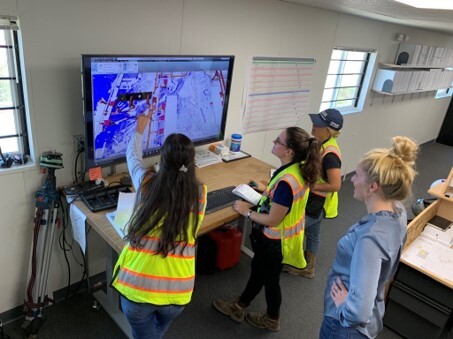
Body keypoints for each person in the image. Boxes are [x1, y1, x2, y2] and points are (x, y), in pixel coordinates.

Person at [212, 127, 322, 332]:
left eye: (278, 141)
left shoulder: (287, 183)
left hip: (274, 240)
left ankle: (272, 318)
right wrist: (267, 191)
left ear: (289, 150)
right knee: (260, 273)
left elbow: (272, 219)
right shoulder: (297, 169)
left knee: (269, 279)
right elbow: (284, 202)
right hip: (283, 239)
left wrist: (246, 212)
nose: (274, 142)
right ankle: (240, 305)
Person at [111, 112, 207, 339]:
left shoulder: (146, 183)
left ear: (162, 160)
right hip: (178, 294)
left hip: (138, 292)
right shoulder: (200, 193)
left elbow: (133, 157)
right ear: (192, 162)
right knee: (153, 333)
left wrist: (139, 130)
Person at [320, 136, 418, 339]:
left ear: (373, 186)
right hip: (372, 311)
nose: (353, 180)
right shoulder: (397, 212)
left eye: (356, 175)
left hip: (343, 327)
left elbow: (358, 313)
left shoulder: (371, 239)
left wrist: (343, 308)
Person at [286, 108, 343, 279]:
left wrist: (310, 187)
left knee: (293, 228)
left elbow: (335, 185)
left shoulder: (330, 155)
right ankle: (309, 267)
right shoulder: (321, 144)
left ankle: (290, 261)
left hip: (318, 202)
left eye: (318, 125)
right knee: (313, 233)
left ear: (329, 131)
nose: (313, 127)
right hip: (315, 200)